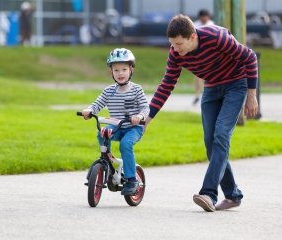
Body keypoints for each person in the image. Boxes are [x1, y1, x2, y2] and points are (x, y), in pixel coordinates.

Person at [145, 15, 258, 212]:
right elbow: (166, 85)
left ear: (192, 37)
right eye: (172, 44)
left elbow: (249, 56)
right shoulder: (175, 54)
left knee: (221, 135)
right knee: (210, 142)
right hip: (212, 88)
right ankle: (232, 195)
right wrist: (148, 118)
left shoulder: (216, 37)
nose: (176, 49)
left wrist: (251, 95)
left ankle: (209, 193)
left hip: (236, 84)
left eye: (179, 44)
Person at [82, 48, 150, 195]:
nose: (120, 73)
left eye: (124, 69)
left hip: (133, 128)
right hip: (116, 125)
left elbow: (145, 107)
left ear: (131, 70)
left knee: (126, 144)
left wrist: (139, 116)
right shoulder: (109, 91)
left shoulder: (137, 90)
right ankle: (106, 161)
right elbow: (97, 104)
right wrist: (89, 110)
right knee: (102, 133)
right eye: (116, 70)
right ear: (111, 72)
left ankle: (132, 179)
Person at [192, 9, 215, 105]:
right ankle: (198, 95)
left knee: (210, 75)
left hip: (210, 53)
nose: (205, 18)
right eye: (203, 16)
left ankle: (208, 94)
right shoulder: (195, 25)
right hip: (198, 53)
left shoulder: (211, 24)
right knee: (198, 76)